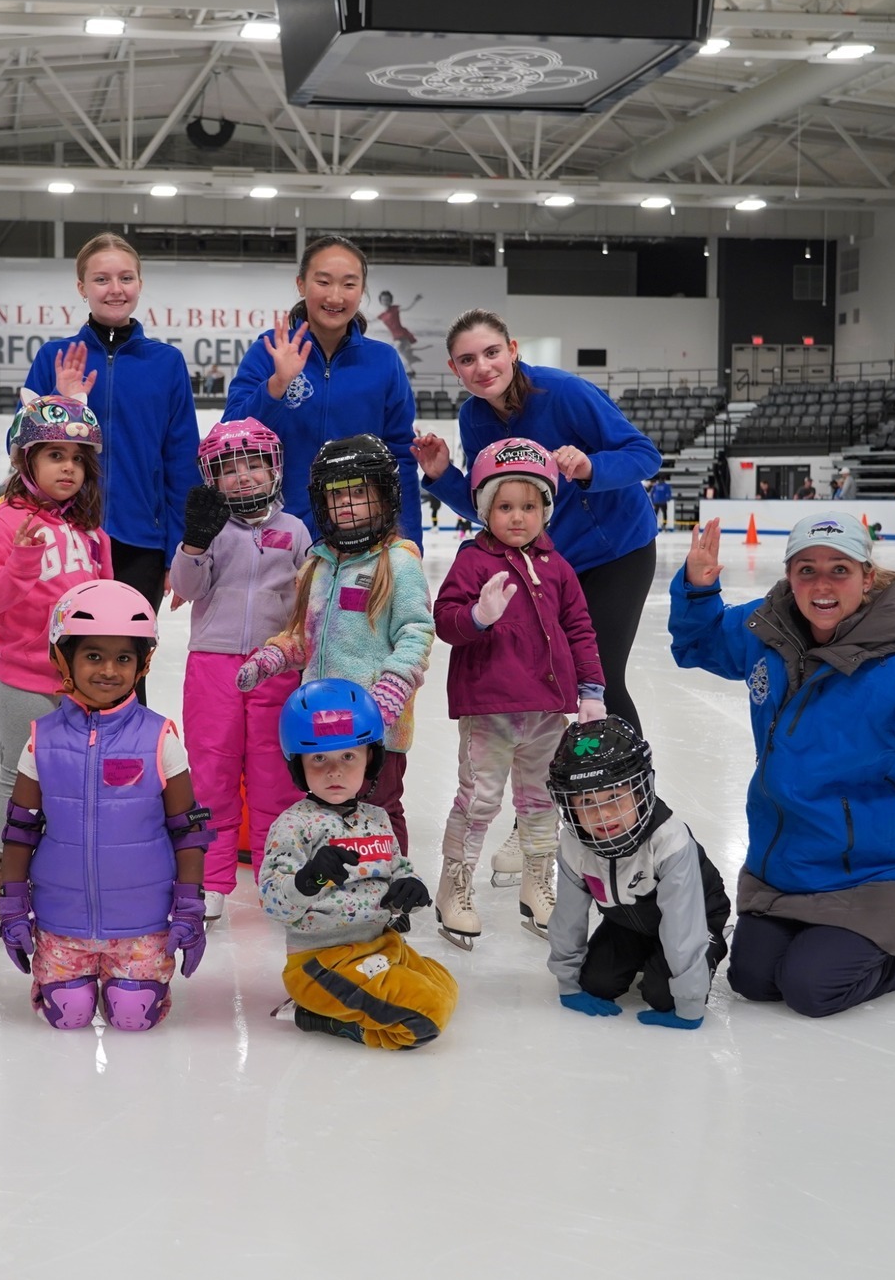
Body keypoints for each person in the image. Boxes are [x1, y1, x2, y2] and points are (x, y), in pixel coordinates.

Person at [670, 511, 895, 1018]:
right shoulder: (771, 629)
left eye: (839, 569)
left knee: (811, 990)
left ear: (867, 577)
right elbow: (700, 644)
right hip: (785, 870)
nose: (821, 585)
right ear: (789, 576)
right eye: (806, 569)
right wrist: (699, 589)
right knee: (753, 980)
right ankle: (824, 938)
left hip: (874, 876)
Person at [412, 309, 661, 732]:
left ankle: (636, 795)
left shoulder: (563, 392)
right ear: (454, 369)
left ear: (512, 350)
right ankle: (588, 787)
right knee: (561, 675)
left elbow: (644, 456)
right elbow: (492, 508)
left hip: (616, 551)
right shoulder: (473, 419)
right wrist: (442, 475)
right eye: (468, 360)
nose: (483, 367)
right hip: (553, 565)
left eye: (492, 352)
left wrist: (589, 467)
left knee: (598, 678)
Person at [0, 580, 211, 1032]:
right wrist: (13, 901)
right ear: (64, 659)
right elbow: (20, 829)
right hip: (61, 920)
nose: (109, 670)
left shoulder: (158, 738)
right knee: (67, 1017)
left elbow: (188, 830)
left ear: (142, 663)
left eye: (123, 658)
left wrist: (189, 906)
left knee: (133, 1017)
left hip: (142, 923)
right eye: (93, 655)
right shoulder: (42, 740)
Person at [429, 438, 605, 950]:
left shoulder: (557, 566)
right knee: (479, 799)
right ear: (485, 508)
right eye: (505, 506)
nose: (518, 517)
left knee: (540, 800)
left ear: (545, 509)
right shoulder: (473, 562)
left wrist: (591, 689)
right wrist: (478, 617)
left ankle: (536, 881)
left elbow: (580, 629)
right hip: (491, 708)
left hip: (549, 710)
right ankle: (454, 885)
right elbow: (446, 621)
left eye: (530, 506)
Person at [236, 435, 434, 850]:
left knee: (379, 809)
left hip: (376, 724)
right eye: (335, 495)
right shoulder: (317, 563)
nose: (345, 504)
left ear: (383, 495)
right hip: (321, 726)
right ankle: (336, 895)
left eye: (359, 492)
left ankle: (392, 894)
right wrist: (273, 656)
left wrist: (392, 690)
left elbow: (416, 634)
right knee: (326, 812)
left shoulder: (398, 561)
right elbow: (302, 635)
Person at [170, 419, 311, 924]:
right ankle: (210, 879)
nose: (244, 477)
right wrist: (193, 543)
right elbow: (185, 587)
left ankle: (281, 876)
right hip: (213, 664)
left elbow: (307, 599)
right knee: (212, 774)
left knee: (276, 776)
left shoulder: (294, 531)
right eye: (230, 470)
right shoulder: (211, 530)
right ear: (213, 477)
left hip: (276, 666)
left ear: (273, 469)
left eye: (254, 465)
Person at [259, 679, 451, 1049]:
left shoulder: (377, 818)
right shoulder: (293, 825)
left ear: (370, 759)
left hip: (380, 947)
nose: (334, 770)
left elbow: (397, 867)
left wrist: (409, 886)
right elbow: (272, 902)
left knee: (446, 985)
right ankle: (317, 1015)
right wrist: (307, 879)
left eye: (348, 756)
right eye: (318, 758)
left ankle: (343, 1002)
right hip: (321, 962)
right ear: (298, 764)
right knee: (426, 1015)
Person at [23, 233, 203, 616]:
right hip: (63, 538)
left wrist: (179, 550)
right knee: (59, 663)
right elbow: (22, 452)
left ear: (140, 284)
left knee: (126, 666)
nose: (115, 289)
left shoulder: (166, 363)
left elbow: (181, 462)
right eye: (101, 279)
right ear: (82, 287)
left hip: (140, 542)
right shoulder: (55, 357)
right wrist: (61, 400)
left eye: (126, 278)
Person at [0, 395, 113, 853]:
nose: (68, 468)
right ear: (26, 460)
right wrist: (21, 562)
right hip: (23, 678)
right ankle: (9, 874)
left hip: (83, 680)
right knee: (19, 775)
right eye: (55, 455)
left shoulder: (92, 533)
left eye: (77, 459)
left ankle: (62, 863)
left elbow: (106, 602)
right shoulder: (2, 524)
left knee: (75, 776)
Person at [225, 235, 421, 546]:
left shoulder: (383, 361)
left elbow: (402, 456)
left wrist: (410, 540)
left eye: (348, 284)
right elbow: (230, 436)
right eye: (324, 281)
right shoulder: (270, 350)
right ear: (301, 284)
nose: (335, 296)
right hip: (275, 538)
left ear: (361, 291)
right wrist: (276, 386)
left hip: (360, 537)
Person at [546, 715, 731, 1031]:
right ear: (569, 804)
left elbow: (682, 924)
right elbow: (568, 916)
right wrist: (568, 982)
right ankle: (650, 951)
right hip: (628, 921)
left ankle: (707, 950)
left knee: (663, 996)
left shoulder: (670, 841)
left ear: (640, 789)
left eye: (615, 798)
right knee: (597, 983)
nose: (603, 815)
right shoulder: (574, 845)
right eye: (587, 802)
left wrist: (689, 1001)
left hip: (696, 918)